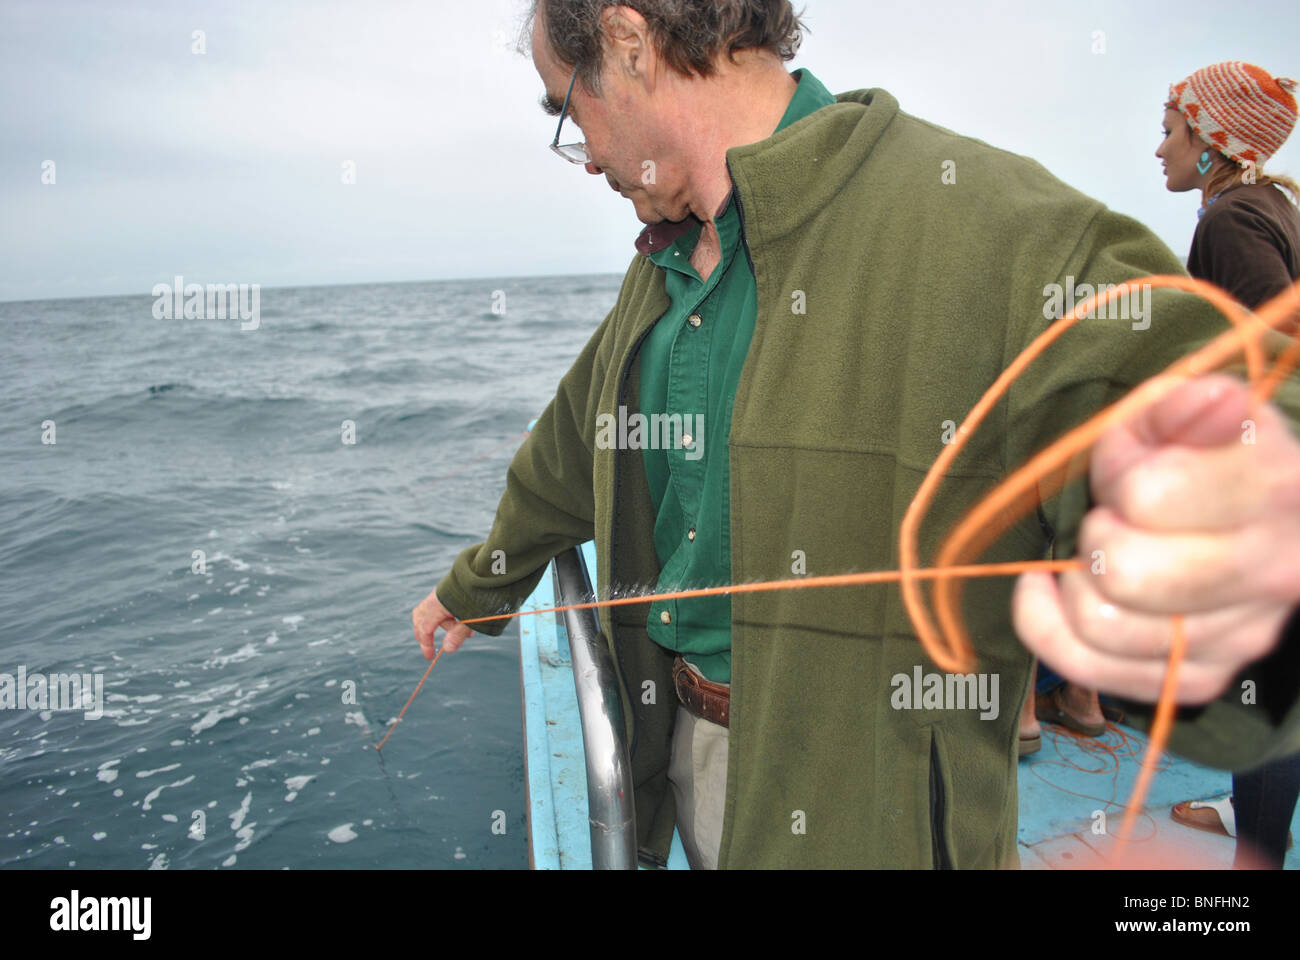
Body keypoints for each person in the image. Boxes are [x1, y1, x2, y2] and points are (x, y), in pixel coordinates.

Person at [412, 2, 1300, 868]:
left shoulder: (1008, 237)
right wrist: (475, 589)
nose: (584, 156)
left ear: (627, 40)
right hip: (685, 751)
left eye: (568, 109)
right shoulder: (663, 263)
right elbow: (572, 451)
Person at [1153, 60, 1300, 869]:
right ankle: (1251, 817)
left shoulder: (1231, 223)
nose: (1159, 148)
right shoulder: (1272, 206)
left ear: (1212, 144)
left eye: (1171, 129)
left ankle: (1258, 858)